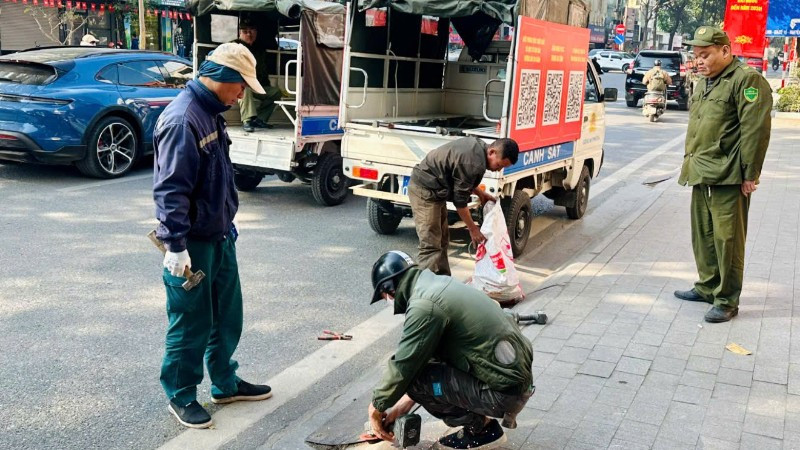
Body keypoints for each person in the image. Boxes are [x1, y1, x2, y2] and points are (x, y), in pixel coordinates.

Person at [153, 42, 272, 429]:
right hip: (192, 244)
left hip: (220, 236)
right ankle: (181, 394)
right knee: (191, 322)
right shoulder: (182, 120)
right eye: (241, 86)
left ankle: (225, 382)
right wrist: (175, 246)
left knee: (227, 315)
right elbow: (171, 190)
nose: (242, 95)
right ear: (224, 78)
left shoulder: (210, 113)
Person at [366, 251, 534, 449]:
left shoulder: (424, 305)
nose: (387, 300)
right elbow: (424, 357)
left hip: (504, 394)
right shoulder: (438, 286)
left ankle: (482, 430)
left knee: (415, 379)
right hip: (514, 382)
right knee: (427, 365)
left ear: (390, 289)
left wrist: (376, 406)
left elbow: (405, 365)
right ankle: (482, 421)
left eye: (384, 295)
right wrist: (402, 406)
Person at [674, 26, 772, 323]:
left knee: (727, 240)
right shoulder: (706, 81)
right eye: (696, 55)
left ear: (726, 51)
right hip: (701, 170)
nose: (699, 61)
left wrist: (750, 174)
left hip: (729, 176)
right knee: (702, 235)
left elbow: (755, 131)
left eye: (705, 55)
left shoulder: (747, 80)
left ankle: (727, 299)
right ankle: (707, 286)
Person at [408, 137, 519, 276]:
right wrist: (473, 229)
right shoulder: (473, 163)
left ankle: (442, 281)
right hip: (424, 190)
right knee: (430, 244)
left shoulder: (479, 148)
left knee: (442, 240)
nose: (498, 170)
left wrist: (481, 194)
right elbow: (460, 202)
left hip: (436, 190)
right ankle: (423, 290)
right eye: (499, 165)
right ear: (491, 152)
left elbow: (462, 180)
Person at [232, 16, 282, 132]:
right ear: (240, 33)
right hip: (238, 84)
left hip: (258, 85)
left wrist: (265, 84)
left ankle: (260, 119)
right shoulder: (234, 47)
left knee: (275, 92)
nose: (249, 34)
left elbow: (262, 69)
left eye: (252, 31)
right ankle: (247, 120)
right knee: (245, 88)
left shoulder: (259, 48)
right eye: (245, 32)